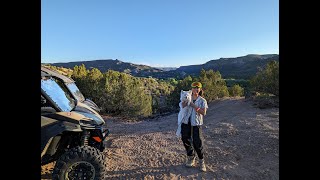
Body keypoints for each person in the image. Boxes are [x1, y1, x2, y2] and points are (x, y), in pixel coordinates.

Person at [180, 81, 208, 172]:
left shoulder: (202, 100)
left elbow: (203, 112)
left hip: (196, 123)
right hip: (186, 122)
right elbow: (182, 106)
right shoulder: (188, 97)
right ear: (191, 89)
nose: (196, 89)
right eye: (194, 88)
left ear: (200, 89)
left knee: (198, 142)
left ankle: (201, 161)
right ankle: (191, 157)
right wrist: (185, 102)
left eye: (197, 88)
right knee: (185, 139)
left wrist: (193, 105)